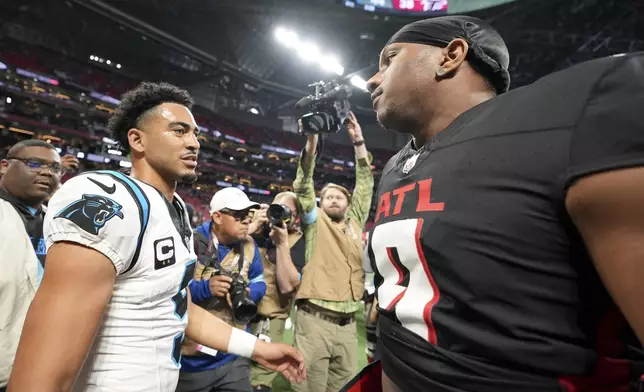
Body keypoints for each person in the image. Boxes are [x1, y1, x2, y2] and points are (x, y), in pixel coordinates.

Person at [343, 15, 644, 392]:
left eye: (390, 58)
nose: (373, 78)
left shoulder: (572, 112)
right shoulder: (395, 166)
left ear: (450, 55)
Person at [7, 82, 305, 392]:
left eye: (195, 134)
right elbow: (51, 345)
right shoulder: (111, 199)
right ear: (137, 140)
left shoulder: (175, 211)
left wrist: (256, 348)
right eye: (178, 131)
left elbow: (175, 308)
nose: (194, 143)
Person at [292, 112, 374, 392]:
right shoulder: (315, 221)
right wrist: (313, 138)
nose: (334, 199)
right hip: (316, 321)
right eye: (328, 197)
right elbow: (303, 183)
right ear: (320, 203)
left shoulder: (354, 222)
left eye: (339, 196)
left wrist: (359, 142)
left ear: (348, 204)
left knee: (346, 387)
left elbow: (365, 185)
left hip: (349, 324)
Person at [177, 187, 267, 392]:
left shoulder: (250, 244)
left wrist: (249, 293)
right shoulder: (190, 242)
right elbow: (173, 289)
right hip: (191, 360)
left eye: (249, 215)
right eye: (239, 215)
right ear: (217, 217)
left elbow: (260, 281)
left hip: (233, 356)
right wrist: (206, 288)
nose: (246, 220)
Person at [0, 140, 62, 391]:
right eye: (34, 163)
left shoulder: (59, 224)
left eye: (56, 168)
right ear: (4, 166)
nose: (47, 172)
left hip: (40, 365)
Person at [250, 192, 306, 392]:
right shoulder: (254, 230)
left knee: (259, 379)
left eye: (286, 211)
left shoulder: (299, 241)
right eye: (276, 208)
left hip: (270, 319)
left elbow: (287, 286)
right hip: (239, 314)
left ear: (296, 218)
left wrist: (281, 244)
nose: (278, 214)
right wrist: (250, 229)